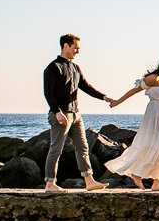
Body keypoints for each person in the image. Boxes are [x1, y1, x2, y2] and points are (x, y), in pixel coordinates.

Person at [43, 34, 113, 192]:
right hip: (61, 115)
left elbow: (86, 86)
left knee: (83, 147)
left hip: (76, 114)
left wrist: (104, 97)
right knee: (56, 149)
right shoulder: (53, 68)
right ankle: (49, 184)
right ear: (66, 46)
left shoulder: (75, 68)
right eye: (76, 48)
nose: (78, 51)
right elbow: (48, 93)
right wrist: (56, 112)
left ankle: (89, 181)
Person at [103, 54, 159, 190]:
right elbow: (134, 91)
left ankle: (156, 183)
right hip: (154, 114)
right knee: (149, 144)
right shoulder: (153, 78)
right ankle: (136, 173)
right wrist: (117, 102)